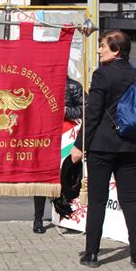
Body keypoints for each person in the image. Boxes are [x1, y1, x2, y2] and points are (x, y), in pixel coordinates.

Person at [70, 30, 136, 268]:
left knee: (98, 201)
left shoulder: (102, 75)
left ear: (116, 49)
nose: (99, 50)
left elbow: (93, 114)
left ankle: (91, 255)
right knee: (130, 199)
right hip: (131, 145)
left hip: (102, 146)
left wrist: (79, 146)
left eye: (102, 46)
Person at [33, 76, 86, 233]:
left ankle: (66, 214)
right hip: (43, 135)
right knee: (41, 178)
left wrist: (66, 111)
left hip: (67, 136)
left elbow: (87, 107)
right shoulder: (38, 83)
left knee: (66, 177)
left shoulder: (73, 86)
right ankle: (38, 219)